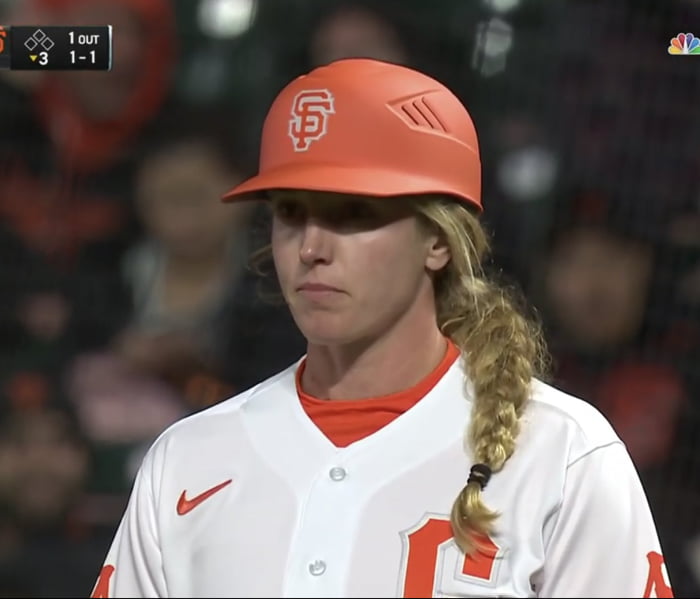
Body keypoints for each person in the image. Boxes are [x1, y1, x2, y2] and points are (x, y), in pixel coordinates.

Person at [91, 58, 673, 598]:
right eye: (291, 214)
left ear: (439, 240)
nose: (312, 248)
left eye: (352, 215)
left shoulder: (562, 451)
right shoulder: (188, 458)